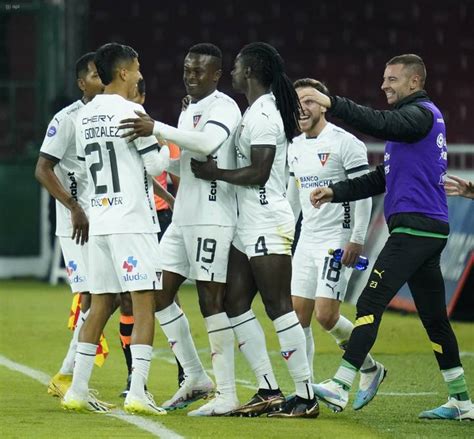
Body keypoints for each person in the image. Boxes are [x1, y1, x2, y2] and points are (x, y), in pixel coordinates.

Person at [309, 54, 473, 420]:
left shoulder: (421, 115)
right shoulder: (411, 129)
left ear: (414, 82)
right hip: (423, 229)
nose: (384, 85)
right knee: (434, 319)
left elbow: (379, 122)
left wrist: (334, 104)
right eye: (383, 78)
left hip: (414, 230)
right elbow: (382, 180)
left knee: (369, 304)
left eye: (392, 79)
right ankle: (461, 400)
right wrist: (335, 191)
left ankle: (340, 384)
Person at [191, 42, 319, 418]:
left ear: (249, 71)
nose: (231, 72)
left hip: (267, 219)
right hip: (248, 223)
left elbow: (260, 172)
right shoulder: (253, 111)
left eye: (235, 67)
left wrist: (217, 174)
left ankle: (306, 396)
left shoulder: (265, 115)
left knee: (279, 306)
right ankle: (267, 389)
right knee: (234, 302)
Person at [119, 43, 241, 416]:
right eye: (187, 69)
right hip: (184, 214)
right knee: (157, 294)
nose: (190, 75)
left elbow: (207, 144)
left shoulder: (224, 106)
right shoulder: (188, 111)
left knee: (210, 299)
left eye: (199, 70)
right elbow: (178, 165)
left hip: (212, 215)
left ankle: (228, 393)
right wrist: (148, 148)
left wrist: (158, 128)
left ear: (216, 75)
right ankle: (195, 376)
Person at [62, 42, 170, 415]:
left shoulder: (84, 116)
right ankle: (138, 390)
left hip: (100, 219)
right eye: (137, 68)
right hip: (131, 220)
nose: (140, 74)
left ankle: (77, 388)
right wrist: (167, 144)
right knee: (143, 305)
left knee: (101, 304)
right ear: (124, 72)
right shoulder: (132, 111)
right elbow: (156, 166)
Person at [287, 78, 382, 410]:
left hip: (336, 240)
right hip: (306, 241)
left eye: (310, 101)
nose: (302, 107)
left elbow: (363, 193)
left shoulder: (345, 143)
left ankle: (368, 366)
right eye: (297, 101)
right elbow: (294, 198)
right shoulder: (294, 146)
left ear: (324, 105)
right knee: (298, 317)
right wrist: (285, 236)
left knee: (326, 316)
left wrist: (356, 239)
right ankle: (307, 391)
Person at [35, 52, 103, 399]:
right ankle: (68, 374)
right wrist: (74, 207)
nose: (101, 80)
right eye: (94, 75)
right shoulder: (67, 120)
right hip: (76, 223)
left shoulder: (109, 115)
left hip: (105, 218)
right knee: (93, 295)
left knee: (106, 294)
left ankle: (70, 372)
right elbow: (42, 169)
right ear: (81, 83)